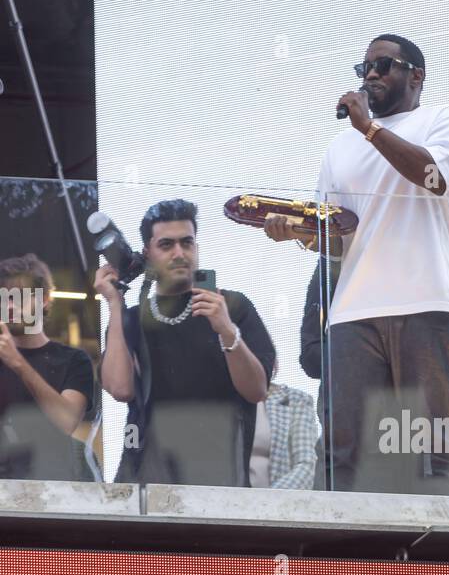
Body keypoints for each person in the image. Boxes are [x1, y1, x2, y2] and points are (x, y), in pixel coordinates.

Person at [265, 34, 449, 494]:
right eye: (365, 69)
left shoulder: (443, 120)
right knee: (343, 450)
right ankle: (344, 561)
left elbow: (435, 178)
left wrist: (370, 130)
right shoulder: (339, 149)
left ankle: (446, 558)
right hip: (352, 310)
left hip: (426, 301)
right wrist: (295, 233)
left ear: (417, 75)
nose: (372, 75)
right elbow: (337, 239)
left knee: (435, 446)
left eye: (384, 64)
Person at [96, 199, 275, 486]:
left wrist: (226, 331)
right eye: (166, 245)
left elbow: (256, 390)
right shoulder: (131, 317)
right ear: (148, 254)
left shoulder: (233, 306)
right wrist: (115, 303)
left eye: (187, 243)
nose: (179, 253)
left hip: (218, 470)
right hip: (148, 472)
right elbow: (119, 388)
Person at [300, 252, 449, 491]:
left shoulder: (445, 258)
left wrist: (426, 358)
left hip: (423, 446)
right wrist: (364, 360)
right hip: (350, 448)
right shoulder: (338, 259)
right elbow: (310, 355)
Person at [0, 253, 94, 481]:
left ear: (45, 299)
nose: (11, 305)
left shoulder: (74, 361)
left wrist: (18, 363)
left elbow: (67, 421)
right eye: (4, 297)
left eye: (20, 296)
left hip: (51, 489)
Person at [249, 377, 318, 490]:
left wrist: (268, 500)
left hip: (274, 504)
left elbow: (305, 466)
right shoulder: (219, 401)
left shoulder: (293, 399)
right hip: (220, 500)